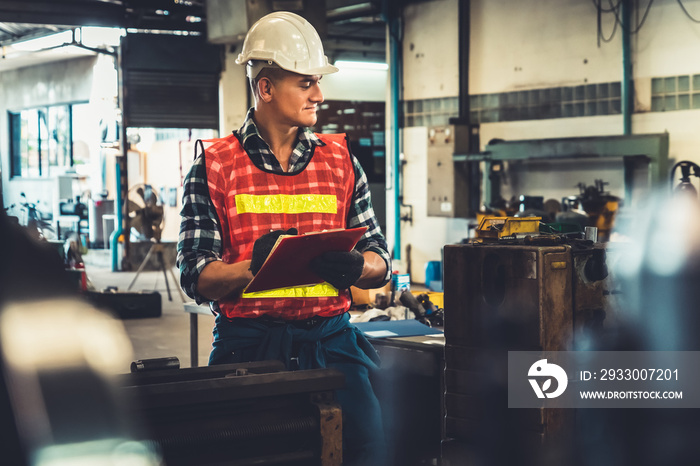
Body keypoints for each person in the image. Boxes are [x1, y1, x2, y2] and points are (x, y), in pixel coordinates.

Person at [176, 11, 391, 466]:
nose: (319, 94)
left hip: (333, 343)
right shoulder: (215, 165)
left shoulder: (341, 161)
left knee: (370, 448)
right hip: (248, 344)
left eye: (318, 81)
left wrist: (359, 267)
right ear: (266, 88)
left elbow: (380, 260)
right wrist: (257, 268)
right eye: (306, 82)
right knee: (245, 455)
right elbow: (195, 274)